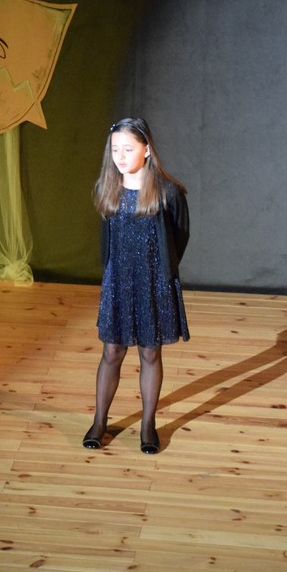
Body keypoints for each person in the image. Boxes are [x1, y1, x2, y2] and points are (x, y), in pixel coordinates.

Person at [83, 117, 190, 454]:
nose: (120, 156)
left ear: (146, 150)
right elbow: (108, 240)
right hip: (118, 282)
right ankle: (100, 421)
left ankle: (147, 424)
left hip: (153, 283)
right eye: (115, 149)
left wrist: (162, 272)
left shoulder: (168, 192)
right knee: (111, 351)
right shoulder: (108, 189)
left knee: (150, 352)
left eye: (128, 149)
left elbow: (180, 236)